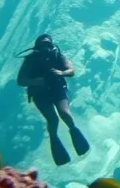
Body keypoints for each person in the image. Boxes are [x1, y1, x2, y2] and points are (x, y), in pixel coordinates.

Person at [16, 34, 90, 165]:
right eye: (42, 46)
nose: (45, 48)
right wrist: (39, 81)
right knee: (53, 119)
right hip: (40, 93)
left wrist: (61, 73)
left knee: (65, 113)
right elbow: (21, 80)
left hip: (57, 89)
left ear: (51, 46)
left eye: (47, 45)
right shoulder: (30, 60)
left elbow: (71, 70)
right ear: (37, 47)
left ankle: (74, 132)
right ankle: (54, 140)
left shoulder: (57, 56)